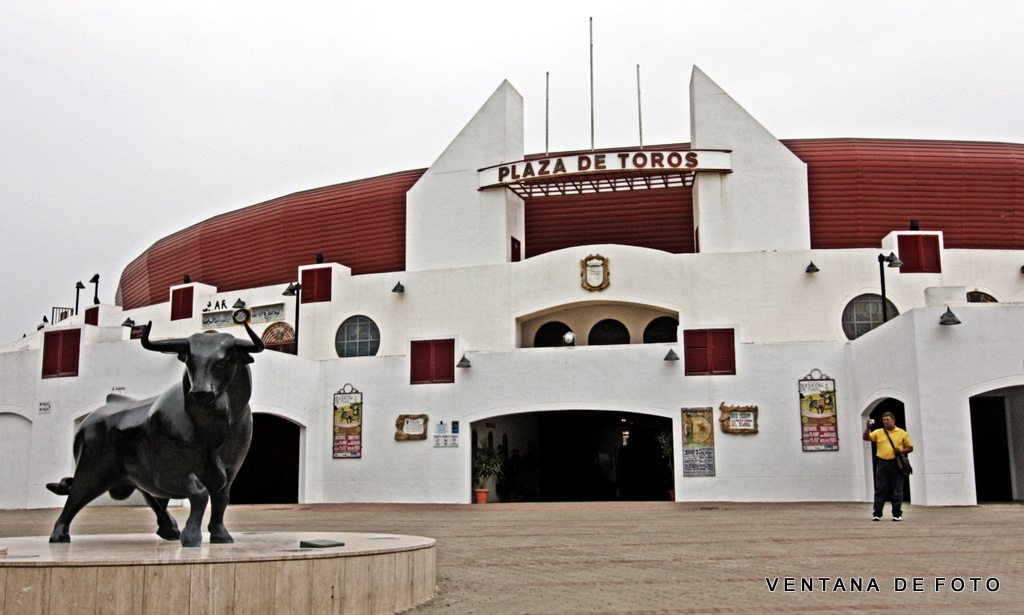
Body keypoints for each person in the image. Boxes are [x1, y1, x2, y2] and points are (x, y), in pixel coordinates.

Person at [863, 412, 914, 521]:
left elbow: (910, 447)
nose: (885, 422)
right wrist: (868, 428)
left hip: (896, 463)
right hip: (882, 463)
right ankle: (877, 513)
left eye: (887, 420)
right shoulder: (879, 432)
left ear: (893, 421)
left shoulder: (901, 433)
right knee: (880, 489)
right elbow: (866, 438)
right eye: (884, 420)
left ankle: (897, 514)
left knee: (897, 489)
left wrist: (900, 450)